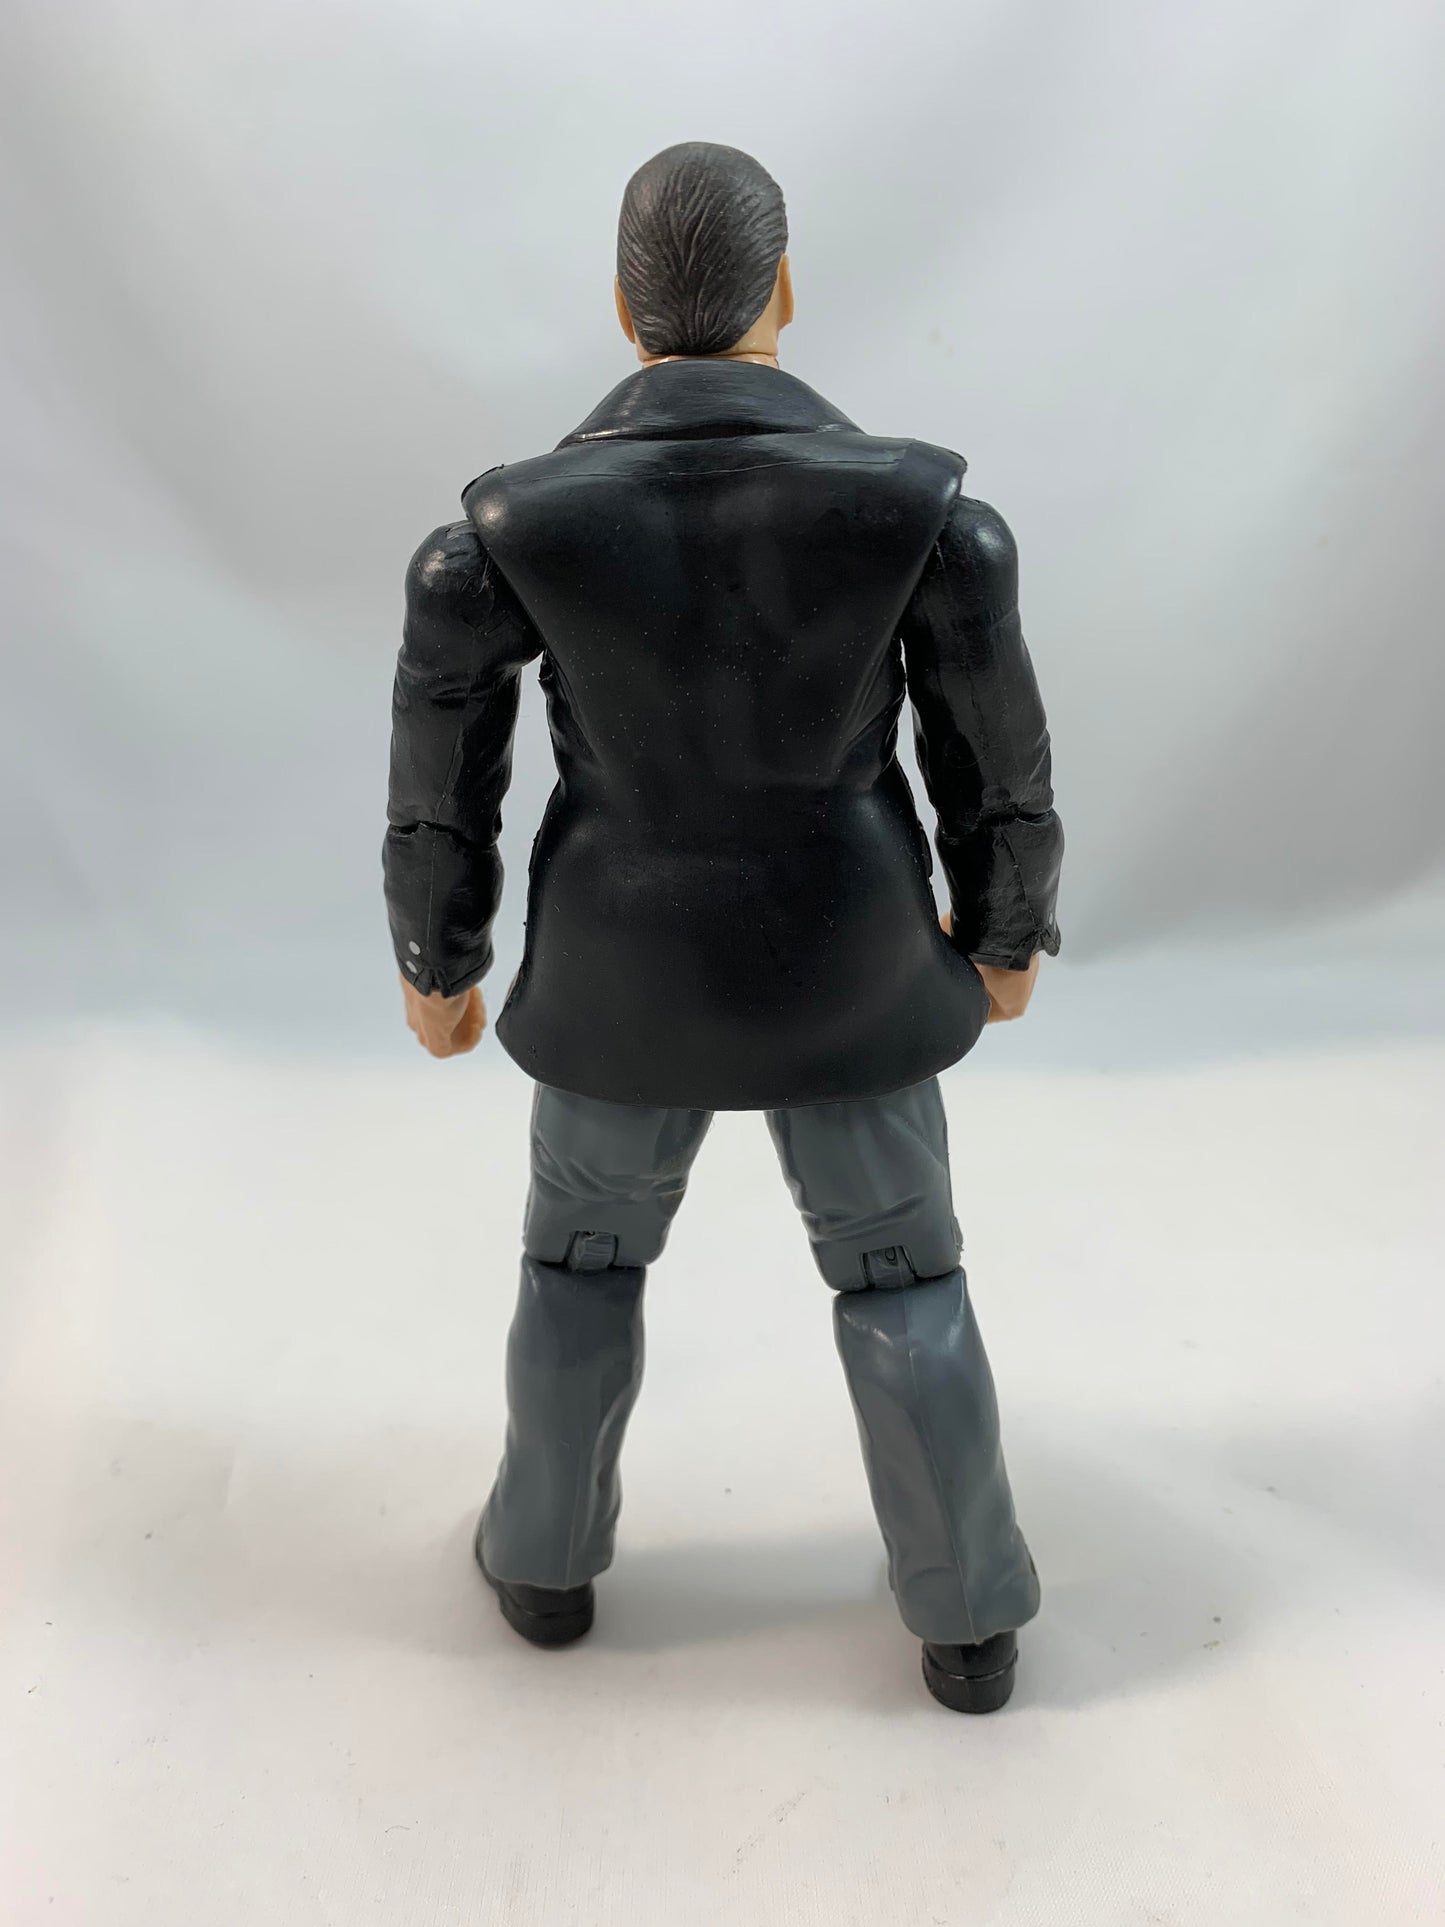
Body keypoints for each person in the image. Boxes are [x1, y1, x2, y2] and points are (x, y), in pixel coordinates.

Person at [383, 142, 1063, 1712]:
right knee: (902, 1280)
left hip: (618, 978)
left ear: (626, 312)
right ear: (783, 291)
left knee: (578, 1263)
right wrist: (1007, 930)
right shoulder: (923, 515)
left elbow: (440, 782)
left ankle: (545, 1559)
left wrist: (440, 960)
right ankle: (966, 1611)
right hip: (852, 971)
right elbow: (993, 758)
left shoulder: (501, 532)